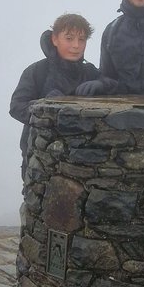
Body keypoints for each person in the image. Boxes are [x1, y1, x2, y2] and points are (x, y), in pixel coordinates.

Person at [10, 13, 116, 174]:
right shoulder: (37, 71)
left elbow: (116, 88)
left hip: (85, 156)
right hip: (41, 159)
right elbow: (17, 107)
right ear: (54, 39)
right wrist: (44, 107)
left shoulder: (90, 72)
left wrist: (101, 84)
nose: (76, 45)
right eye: (69, 38)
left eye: (82, 40)